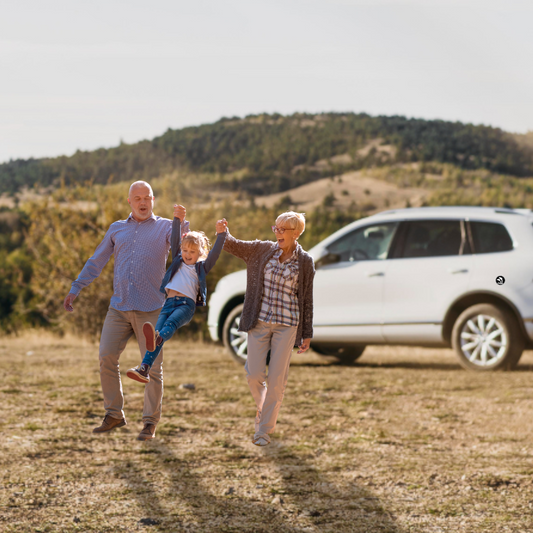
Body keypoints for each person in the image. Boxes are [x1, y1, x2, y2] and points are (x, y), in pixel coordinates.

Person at [63, 181, 189, 441]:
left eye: (147, 197)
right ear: (129, 201)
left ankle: (149, 423)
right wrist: (76, 288)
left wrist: (181, 223)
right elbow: (96, 261)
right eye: (137, 198)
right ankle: (114, 414)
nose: (143, 202)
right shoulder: (116, 229)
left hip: (152, 309)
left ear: (153, 200)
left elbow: (182, 250)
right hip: (119, 307)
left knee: (153, 367)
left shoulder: (166, 226)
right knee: (106, 356)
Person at [222, 211, 315, 446]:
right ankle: (265, 410)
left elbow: (306, 300)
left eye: (283, 229)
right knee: (253, 373)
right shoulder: (262, 249)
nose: (277, 233)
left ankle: (263, 430)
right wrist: (224, 233)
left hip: (287, 324)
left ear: (296, 233)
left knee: (276, 380)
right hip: (260, 320)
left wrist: (307, 333)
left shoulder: (305, 262)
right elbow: (234, 246)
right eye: (276, 228)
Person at [127, 216, 227, 383]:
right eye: (185, 250)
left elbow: (215, 254)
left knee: (169, 325)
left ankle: (158, 338)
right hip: (168, 304)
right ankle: (144, 369)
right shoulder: (177, 261)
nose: (187, 254)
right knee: (154, 338)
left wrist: (221, 234)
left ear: (200, 252)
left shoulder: (201, 267)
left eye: (192, 251)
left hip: (185, 305)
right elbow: (174, 240)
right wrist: (177, 220)